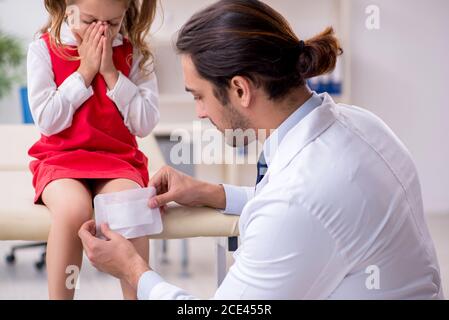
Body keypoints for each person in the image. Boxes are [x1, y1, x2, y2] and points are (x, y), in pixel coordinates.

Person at [79, 0, 443, 299]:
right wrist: (212, 193)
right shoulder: (359, 124)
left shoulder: (299, 200)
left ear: (240, 89)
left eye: (200, 96)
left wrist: (133, 270)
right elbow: (296, 200)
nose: (200, 112)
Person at [27, 0, 159, 299]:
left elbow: (144, 123)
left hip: (117, 159)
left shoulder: (136, 52)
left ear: (125, 13)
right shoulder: (44, 48)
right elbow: (48, 121)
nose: (101, 31)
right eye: (89, 20)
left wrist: (111, 73)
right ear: (67, 8)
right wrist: (85, 72)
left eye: (111, 23)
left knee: (130, 204)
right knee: (74, 210)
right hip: (61, 159)